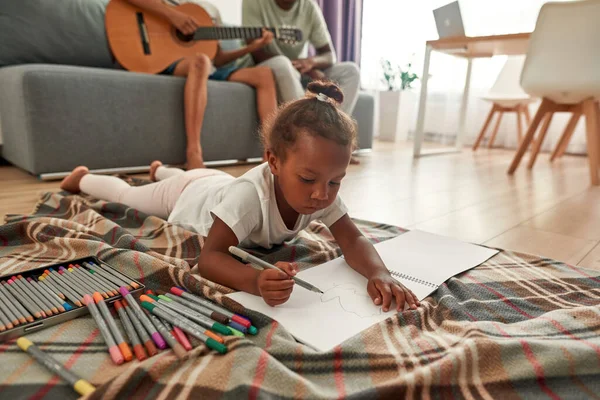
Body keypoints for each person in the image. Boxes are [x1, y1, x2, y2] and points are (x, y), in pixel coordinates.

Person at [60, 81, 419, 312]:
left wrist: (379, 272)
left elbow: (352, 237)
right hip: (188, 196)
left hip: (215, 183)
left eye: (335, 182)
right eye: (309, 178)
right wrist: (252, 280)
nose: (321, 195)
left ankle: (161, 169)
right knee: (130, 194)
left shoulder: (318, 190)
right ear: (273, 161)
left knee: (195, 176)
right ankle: (84, 178)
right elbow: (209, 258)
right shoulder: (250, 196)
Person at [124, 0, 278, 169]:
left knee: (264, 74)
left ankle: (270, 153)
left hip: (207, 67)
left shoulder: (211, 11)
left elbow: (217, 58)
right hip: (164, 61)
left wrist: (251, 48)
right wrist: (173, 15)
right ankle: (193, 153)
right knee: (201, 61)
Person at [241, 0, 361, 163]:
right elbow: (255, 50)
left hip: (300, 67)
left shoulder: (309, 6)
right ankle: (305, 142)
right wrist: (294, 65)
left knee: (351, 70)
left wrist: (311, 62)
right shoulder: (254, 3)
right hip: (271, 64)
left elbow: (329, 55)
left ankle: (335, 140)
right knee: (283, 64)